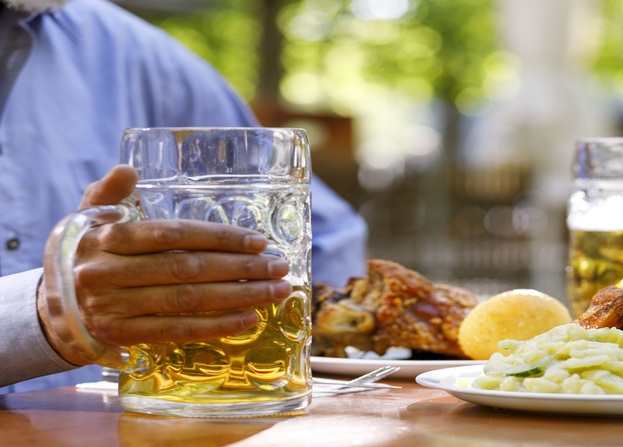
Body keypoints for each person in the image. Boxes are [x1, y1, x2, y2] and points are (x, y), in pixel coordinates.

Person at [0, 0, 368, 392]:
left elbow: (326, 233)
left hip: (132, 440)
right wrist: (40, 317)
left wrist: (288, 365)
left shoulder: (129, 49)